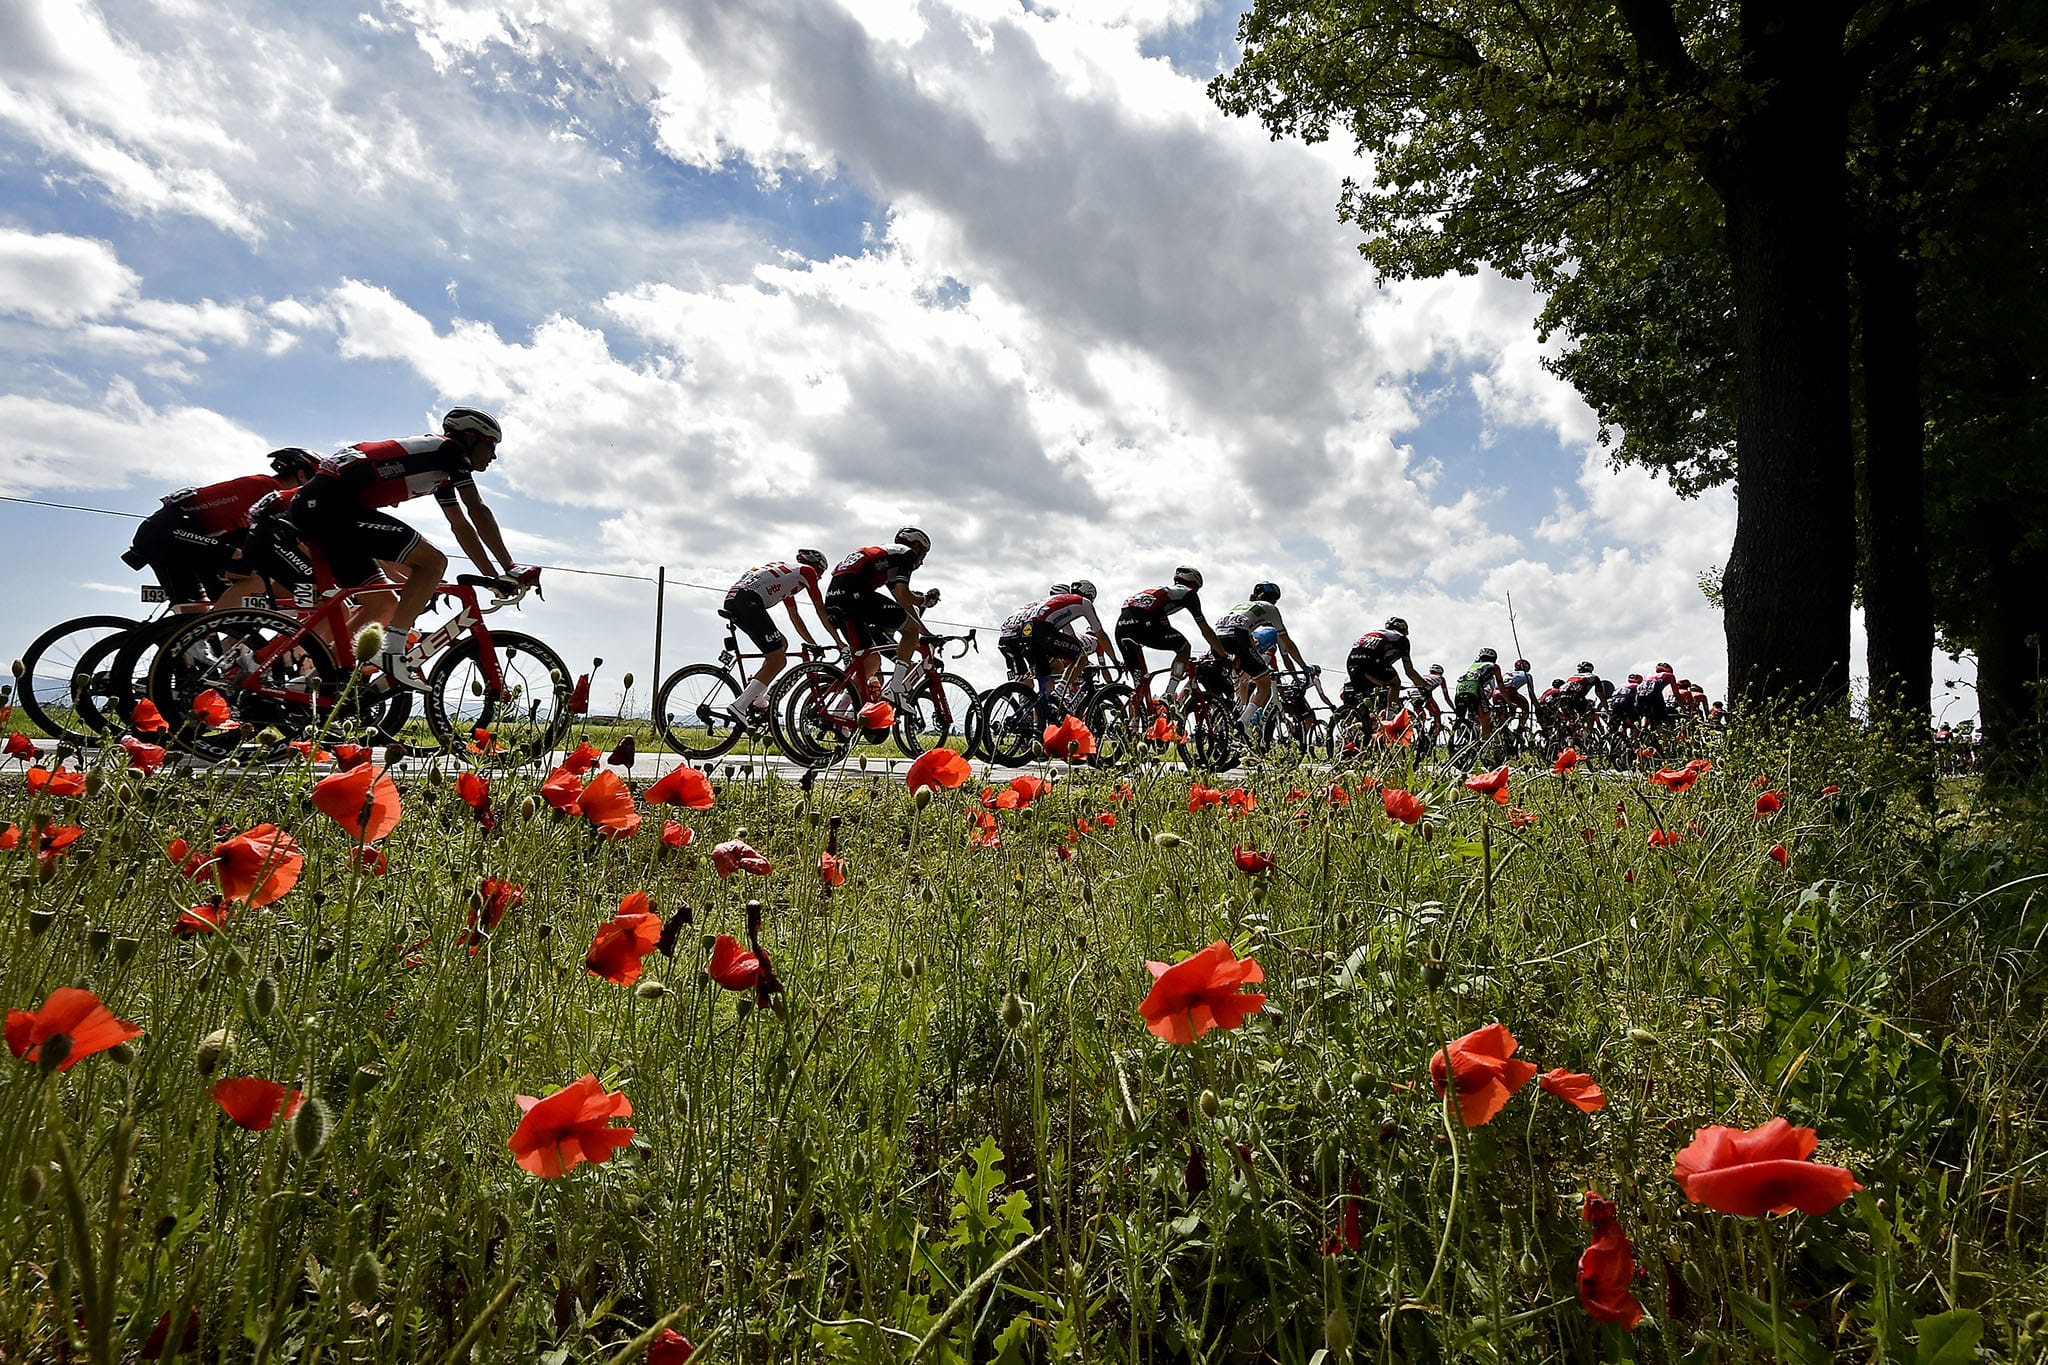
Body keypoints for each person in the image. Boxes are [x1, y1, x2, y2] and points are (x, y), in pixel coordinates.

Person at [289, 407, 524, 690]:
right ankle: (392, 650)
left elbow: (460, 525)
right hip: (331, 508)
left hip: (322, 508)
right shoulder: (451, 451)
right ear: (471, 437)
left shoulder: (441, 468)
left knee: (383, 604)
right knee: (433, 562)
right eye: (491, 445)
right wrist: (511, 568)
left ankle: (314, 682)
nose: (494, 455)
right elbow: (477, 510)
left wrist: (492, 577)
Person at [121, 447, 322, 613]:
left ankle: (207, 649)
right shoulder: (269, 489)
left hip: (172, 537)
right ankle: (220, 630)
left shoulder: (265, 491)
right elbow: (289, 539)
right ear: (302, 475)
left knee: (194, 615)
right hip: (168, 535)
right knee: (257, 575)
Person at [720, 550, 842, 726]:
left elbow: (795, 617)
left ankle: (757, 697)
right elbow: (820, 610)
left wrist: (812, 643)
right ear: (816, 566)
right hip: (748, 600)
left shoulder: (789, 576)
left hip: (737, 599)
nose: (820, 578)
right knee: (778, 661)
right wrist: (839, 642)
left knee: (781, 644)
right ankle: (740, 706)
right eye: (821, 572)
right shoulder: (807, 572)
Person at [823, 527, 932, 702]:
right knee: (910, 630)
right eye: (924, 554)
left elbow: (902, 603)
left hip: (833, 598)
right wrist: (922, 600)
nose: (922, 561)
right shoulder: (907, 554)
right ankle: (896, 688)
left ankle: (842, 716)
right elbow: (905, 595)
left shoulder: (886, 557)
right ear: (916, 546)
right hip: (855, 594)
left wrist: (926, 633)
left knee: (870, 662)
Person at [1114, 566, 1223, 705]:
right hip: (1144, 622)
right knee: (1184, 647)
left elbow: (1162, 623)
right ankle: (1169, 694)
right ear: (1195, 584)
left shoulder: (1159, 592)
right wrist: (1223, 654)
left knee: (1139, 686)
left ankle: (1133, 724)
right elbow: (1205, 630)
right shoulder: (1188, 593)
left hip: (1121, 626)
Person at [1213, 582, 1307, 731]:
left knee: (1238, 680)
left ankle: (1226, 714)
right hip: (1238, 635)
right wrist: (1304, 666)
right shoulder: (1271, 609)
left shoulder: (1241, 606)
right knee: (1264, 683)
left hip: (1217, 636)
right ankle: (1243, 723)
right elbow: (1288, 645)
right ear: (1274, 600)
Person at [1019, 580, 1112, 713]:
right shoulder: (1097, 642)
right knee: (1073, 668)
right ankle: (1059, 697)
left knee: (1047, 683)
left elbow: (1070, 635)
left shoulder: (1045, 608)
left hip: (1030, 638)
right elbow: (1103, 666)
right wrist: (1109, 681)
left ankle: (1040, 710)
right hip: (1060, 649)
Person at [1344, 617, 1434, 727]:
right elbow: (1409, 671)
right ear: (1404, 630)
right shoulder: (1401, 639)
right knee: (1395, 683)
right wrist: (1425, 687)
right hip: (1371, 660)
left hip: (1352, 661)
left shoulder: (1375, 633)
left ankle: (1352, 729)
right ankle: (1389, 719)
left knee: (1365, 702)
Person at [1454, 647, 1529, 740]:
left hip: (1459, 690)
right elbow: (1501, 687)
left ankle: (1457, 741)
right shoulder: (1494, 666)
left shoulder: (1472, 666)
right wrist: (1509, 703)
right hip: (1476, 690)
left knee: (1462, 718)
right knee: (1485, 719)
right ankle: (1483, 747)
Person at [1000, 585, 1069, 681]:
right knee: (1057, 666)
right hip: (1025, 638)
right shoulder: (1054, 607)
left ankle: (1025, 693)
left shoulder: (1037, 603)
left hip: (1006, 637)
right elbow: (1067, 634)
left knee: (1025, 679)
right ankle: (1046, 695)